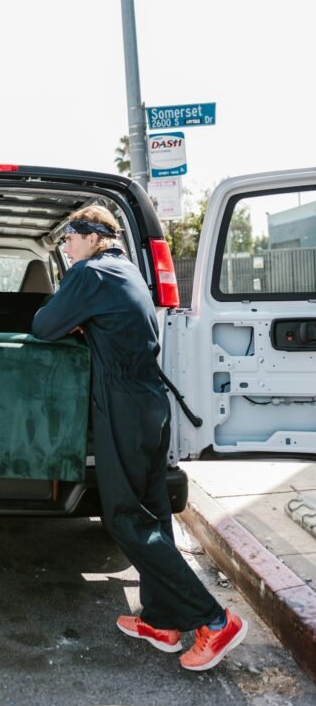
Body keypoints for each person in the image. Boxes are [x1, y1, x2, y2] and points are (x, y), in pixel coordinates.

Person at [32, 204, 247, 672]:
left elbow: (43, 326)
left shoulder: (91, 274)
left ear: (92, 236)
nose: (66, 247)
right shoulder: (127, 271)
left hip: (123, 407)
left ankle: (213, 619)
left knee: (127, 517)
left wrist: (74, 318)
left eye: (70, 237)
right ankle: (163, 619)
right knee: (154, 513)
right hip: (151, 403)